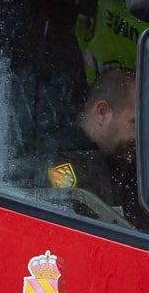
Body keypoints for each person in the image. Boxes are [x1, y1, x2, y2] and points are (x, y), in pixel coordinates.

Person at [44, 66, 142, 223]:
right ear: (102, 112)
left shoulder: (117, 160)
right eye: (135, 123)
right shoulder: (58, 160)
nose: (139, 137)